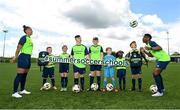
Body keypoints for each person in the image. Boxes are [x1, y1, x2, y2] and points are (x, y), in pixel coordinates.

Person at [11, 25, 33, 98]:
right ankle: (14, 92)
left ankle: (22, 90)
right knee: (20, 75)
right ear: (26, 31)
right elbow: (18, 47)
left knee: (24, 75)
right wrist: (15, 57)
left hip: (28, 57)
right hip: (23, 56)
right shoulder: (24, 38)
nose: (32, 31)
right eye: (30, 30)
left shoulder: (30, 39)